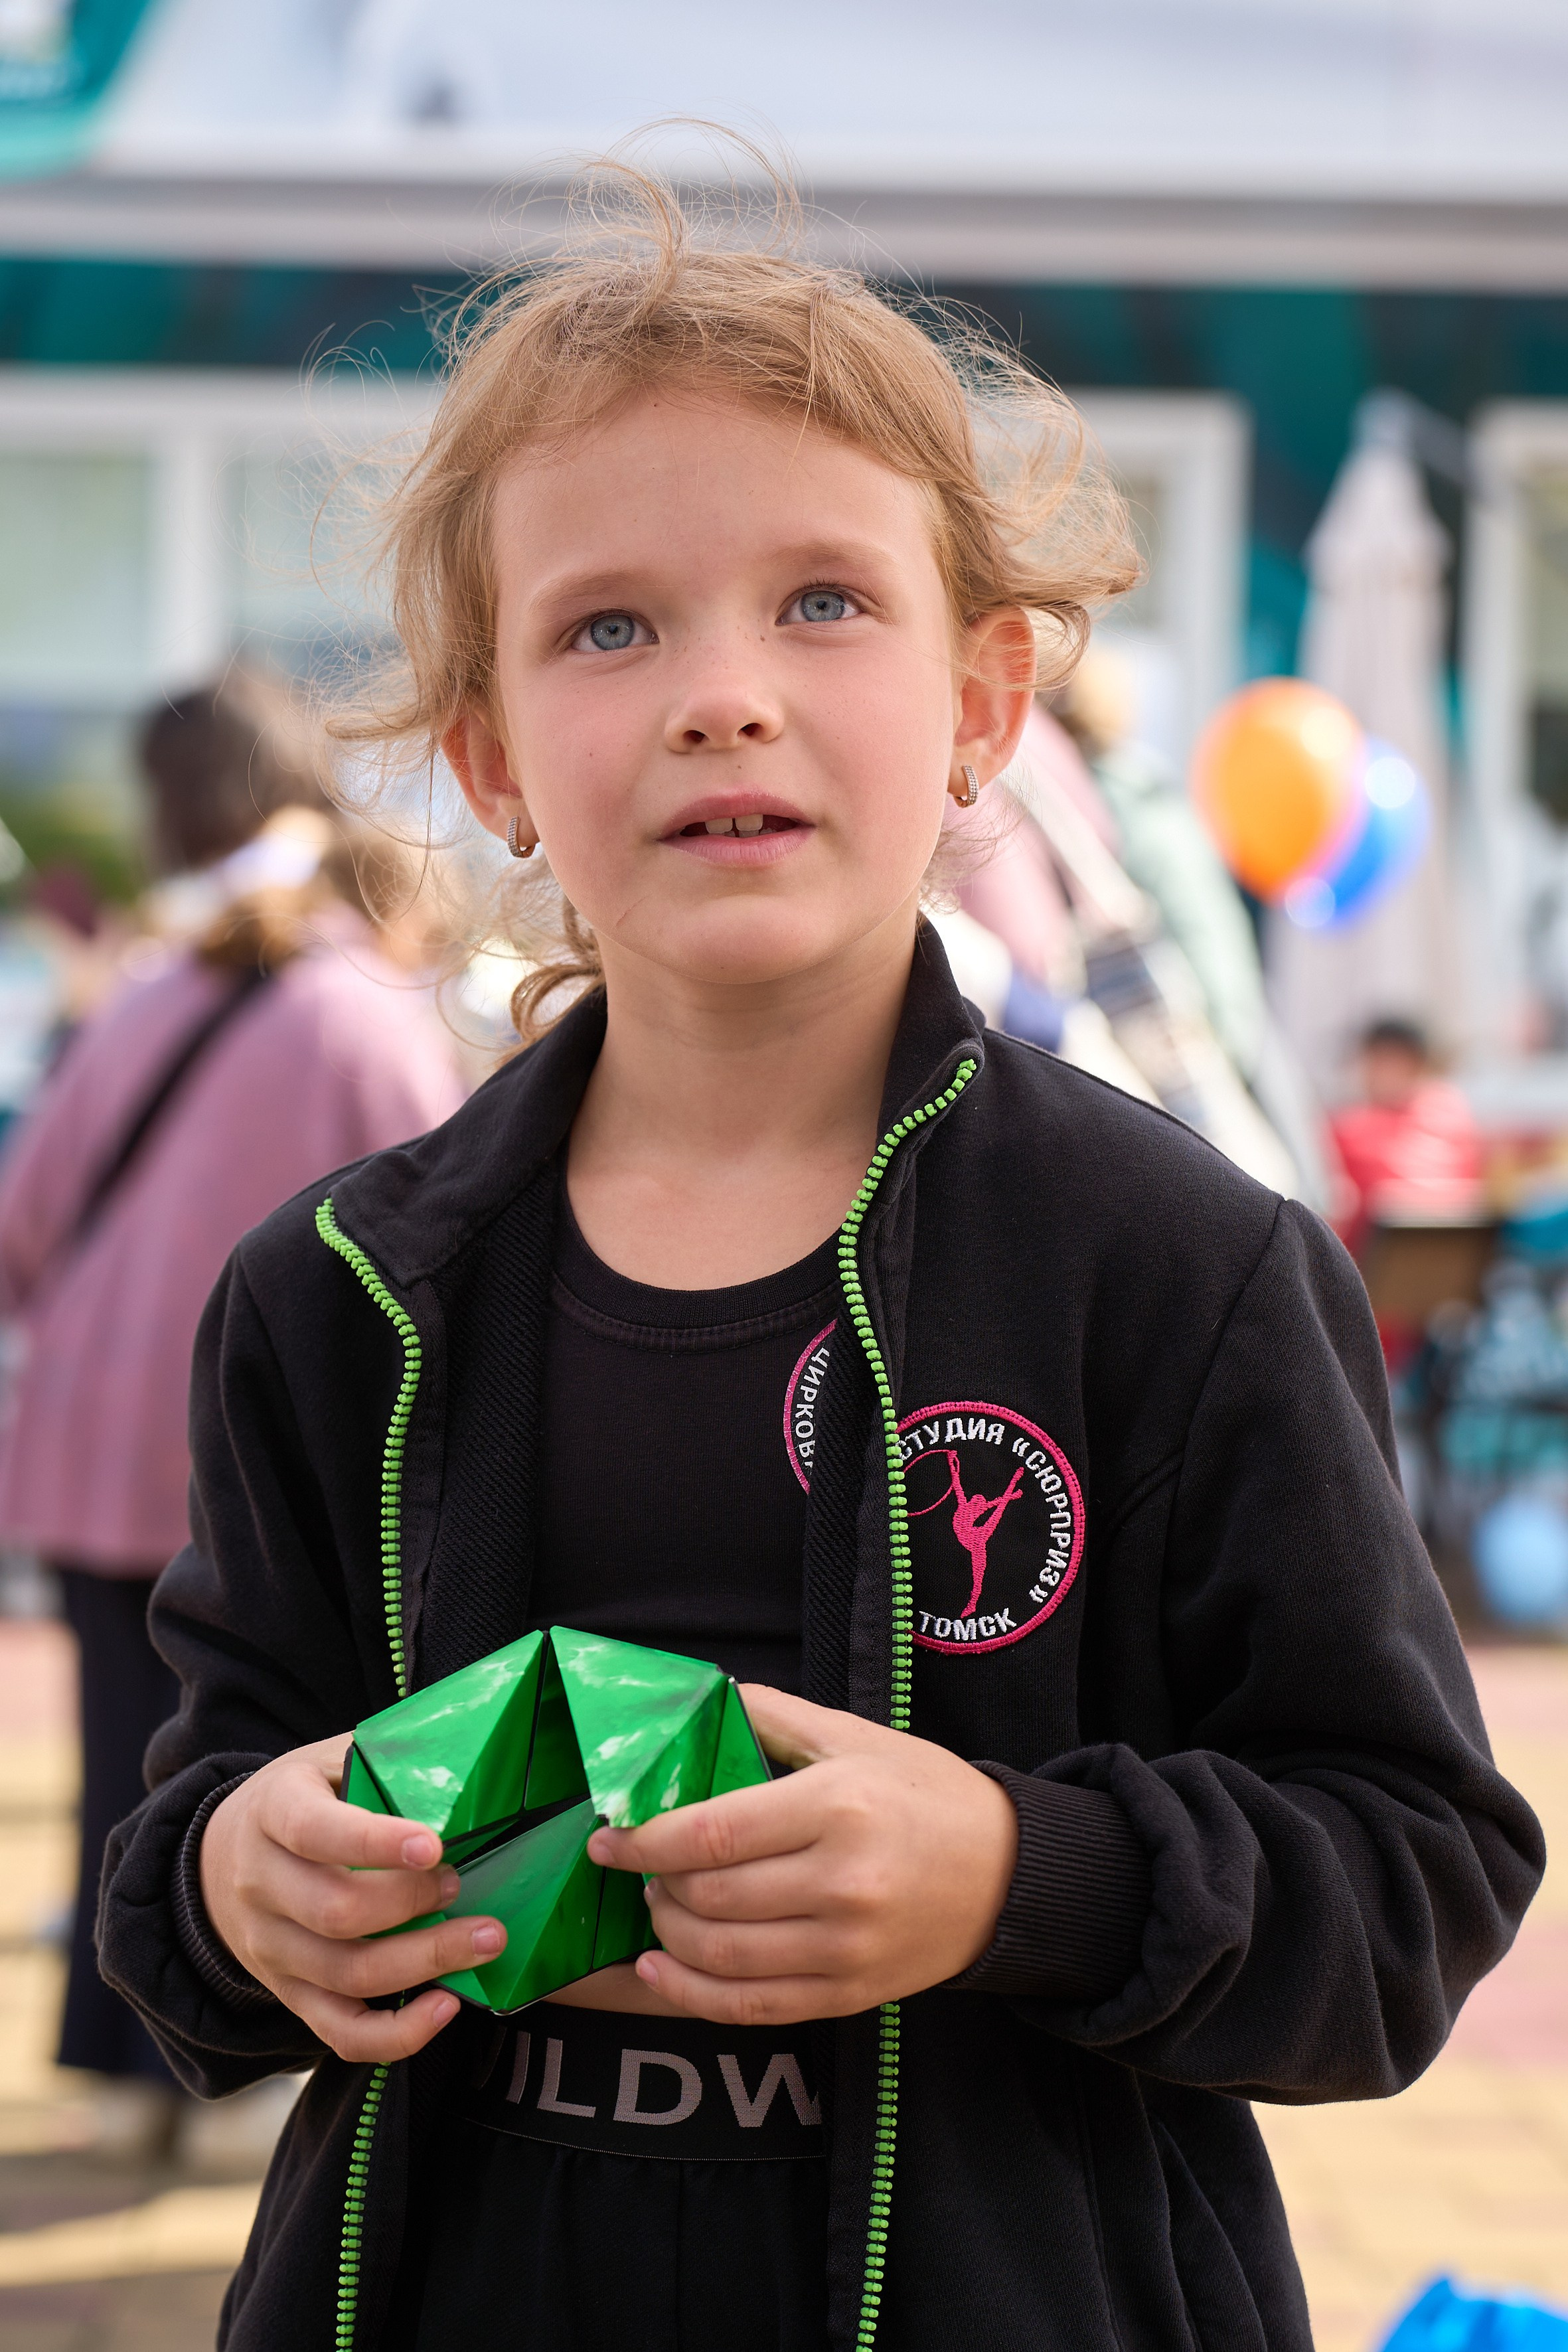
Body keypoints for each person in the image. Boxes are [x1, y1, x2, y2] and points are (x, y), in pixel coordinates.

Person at [99, 161, 1540, 2352]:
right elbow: (199, 1822)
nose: (719, 693)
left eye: (823, 603)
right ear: (487, 752)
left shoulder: (1180, 1267)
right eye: (608, 624)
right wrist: (231, 1886)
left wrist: (1009, 1873)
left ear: (984, 703)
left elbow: (1411, 1882)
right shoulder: (334, 1295)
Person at [0, 678, 465, 2157]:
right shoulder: (365, 1016)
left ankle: (132, 2047)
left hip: (89, 1438)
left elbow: (24, 1220)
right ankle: (238, 2052)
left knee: (128, 1761)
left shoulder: (147, 988)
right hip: (259, 1461)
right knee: (277, 1757)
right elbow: (446, 1241)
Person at [1330, 1016, 1485, 1262]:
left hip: (1390, 1268)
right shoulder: (1453, 1107)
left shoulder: (1351, 1128)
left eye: (1389, 1061)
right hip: (1450, 1263)